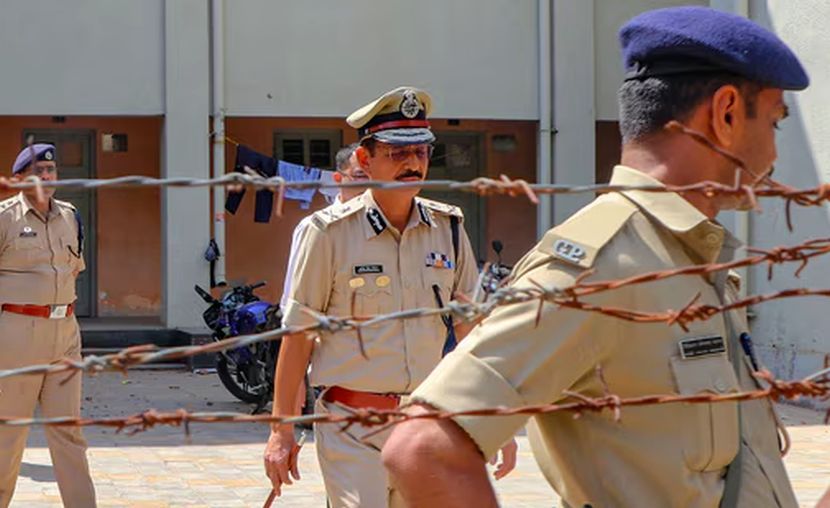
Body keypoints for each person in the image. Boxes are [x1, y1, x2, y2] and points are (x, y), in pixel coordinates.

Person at [382, 7, 807, 508]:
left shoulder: (689, 256)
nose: (775, 153)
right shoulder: (605, 267)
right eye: (775, 122)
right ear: (727, 113)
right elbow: (424, 448)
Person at [264, 87, 516, 507]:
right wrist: (281, 431)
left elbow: (470, 331)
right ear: (365, 160)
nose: (412, 163)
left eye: (420, 151)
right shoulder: (328, 233)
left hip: (425, 424)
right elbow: (299, 335)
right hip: (352, 425)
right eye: (397, 153)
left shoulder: (449, 228)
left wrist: (492, 416)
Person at [0, 144, 96, 507]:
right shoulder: (5, 219)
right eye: (37, 171)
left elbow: (73, 270)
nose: (45, 176)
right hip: (17, 333)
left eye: (51, 170)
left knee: (69, 434)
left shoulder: (71, 216)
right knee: (8, 436)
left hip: (65, 333)